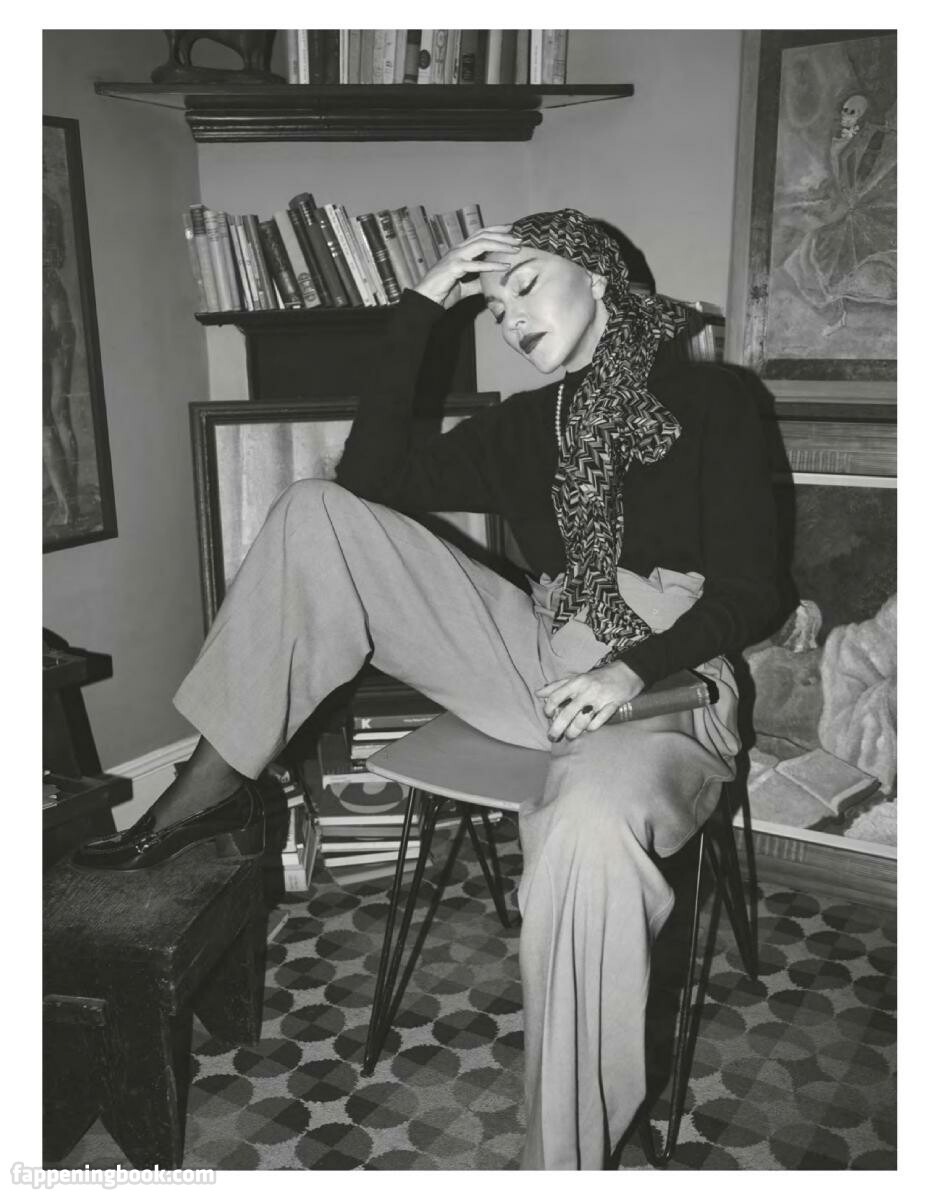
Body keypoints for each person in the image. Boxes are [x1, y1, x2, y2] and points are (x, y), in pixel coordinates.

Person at [73, 209, 778, 1170]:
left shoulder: (714, 399)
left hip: (668, 678)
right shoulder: (524, 424)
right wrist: (420, 308)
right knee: (316, 511)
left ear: (600, 278)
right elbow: (368, 481)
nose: (510, 317)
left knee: (585, 831)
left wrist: (629, 669)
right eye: (491, 305)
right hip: (538, 653)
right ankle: (214, 786)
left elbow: (755, 589)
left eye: (524, 285)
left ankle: (568, 1163)